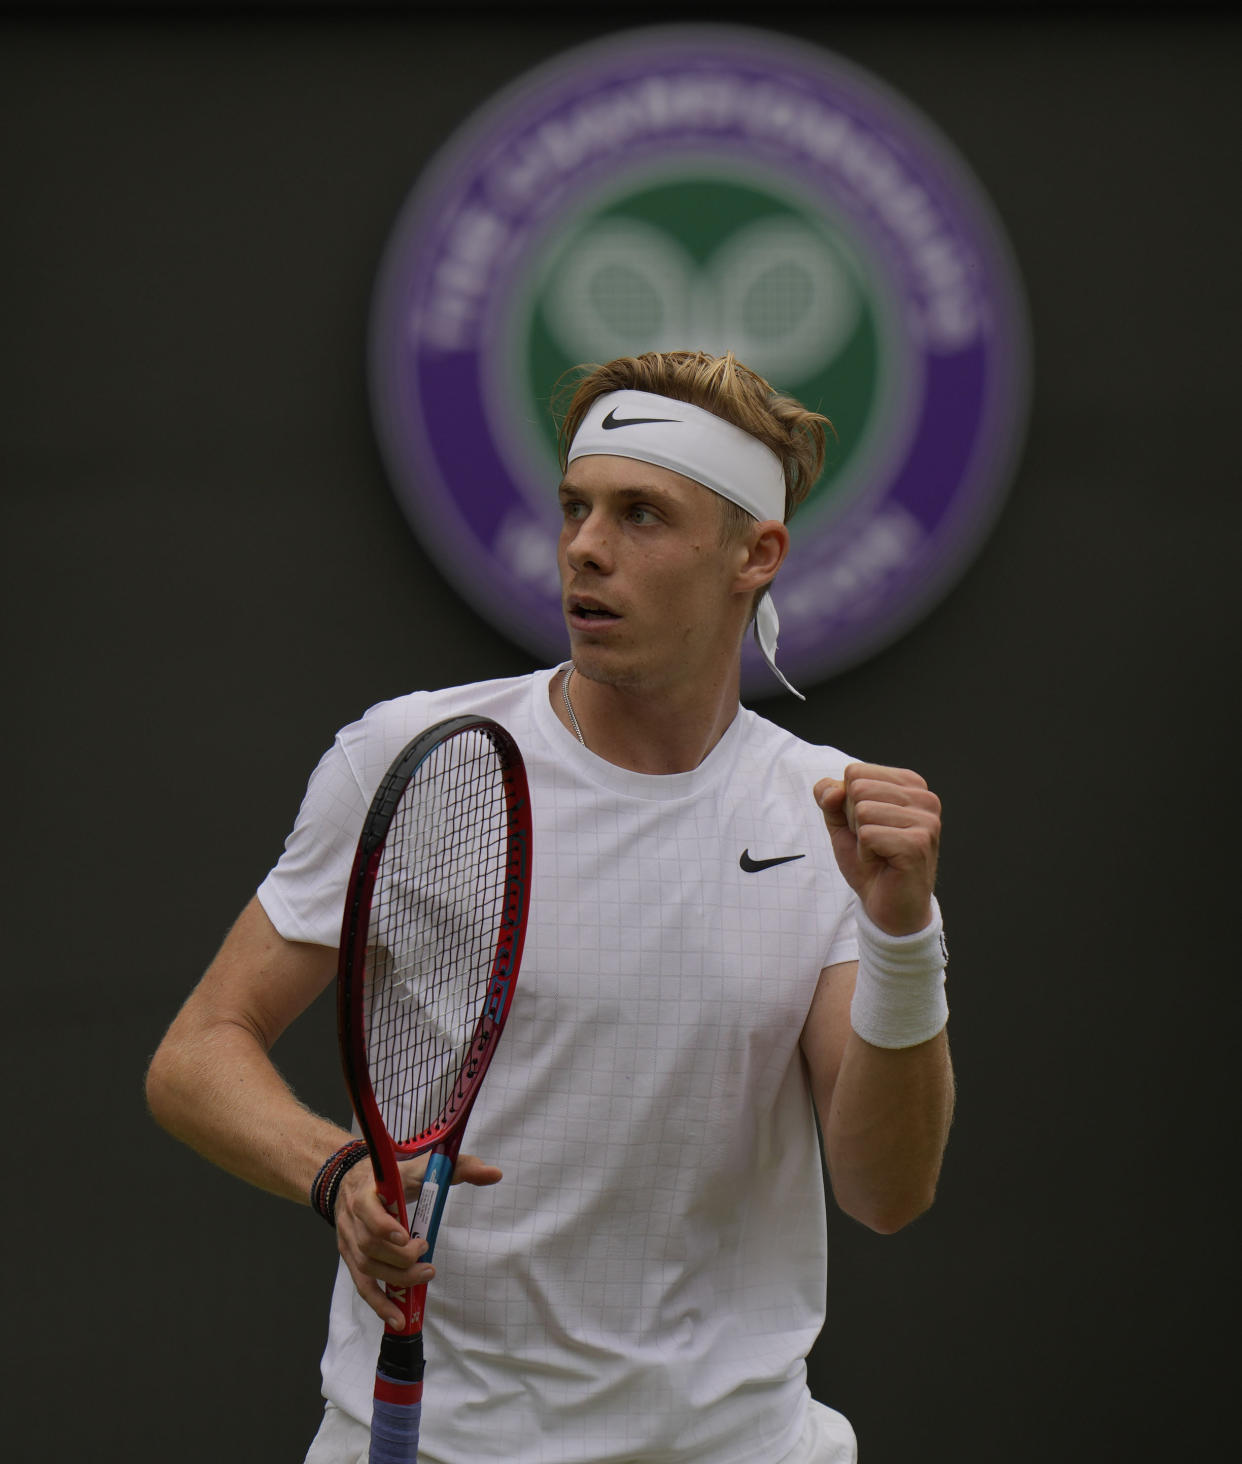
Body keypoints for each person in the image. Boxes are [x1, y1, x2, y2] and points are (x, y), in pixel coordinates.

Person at [146, 349, 954, 1464]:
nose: (584, 546)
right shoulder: (405, 756)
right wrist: (332, 1174)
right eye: (576, 506)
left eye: (641, 515)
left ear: (754, 555)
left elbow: (885, 1189)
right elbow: (197, 1053)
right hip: (428, 1437)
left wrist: (904, 937)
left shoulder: (824, 816)